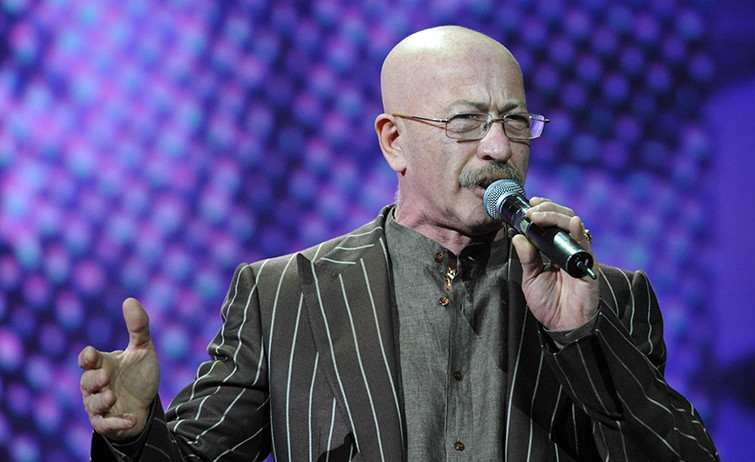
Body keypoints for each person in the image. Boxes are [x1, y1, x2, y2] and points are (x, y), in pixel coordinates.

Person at [79, 25, 719, 461]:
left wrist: (583, 338)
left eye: (517, 121)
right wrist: (134, 434)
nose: (499, 147)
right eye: (466, 122)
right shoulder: (286, 296)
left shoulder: (608, 297)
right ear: (393, 141)